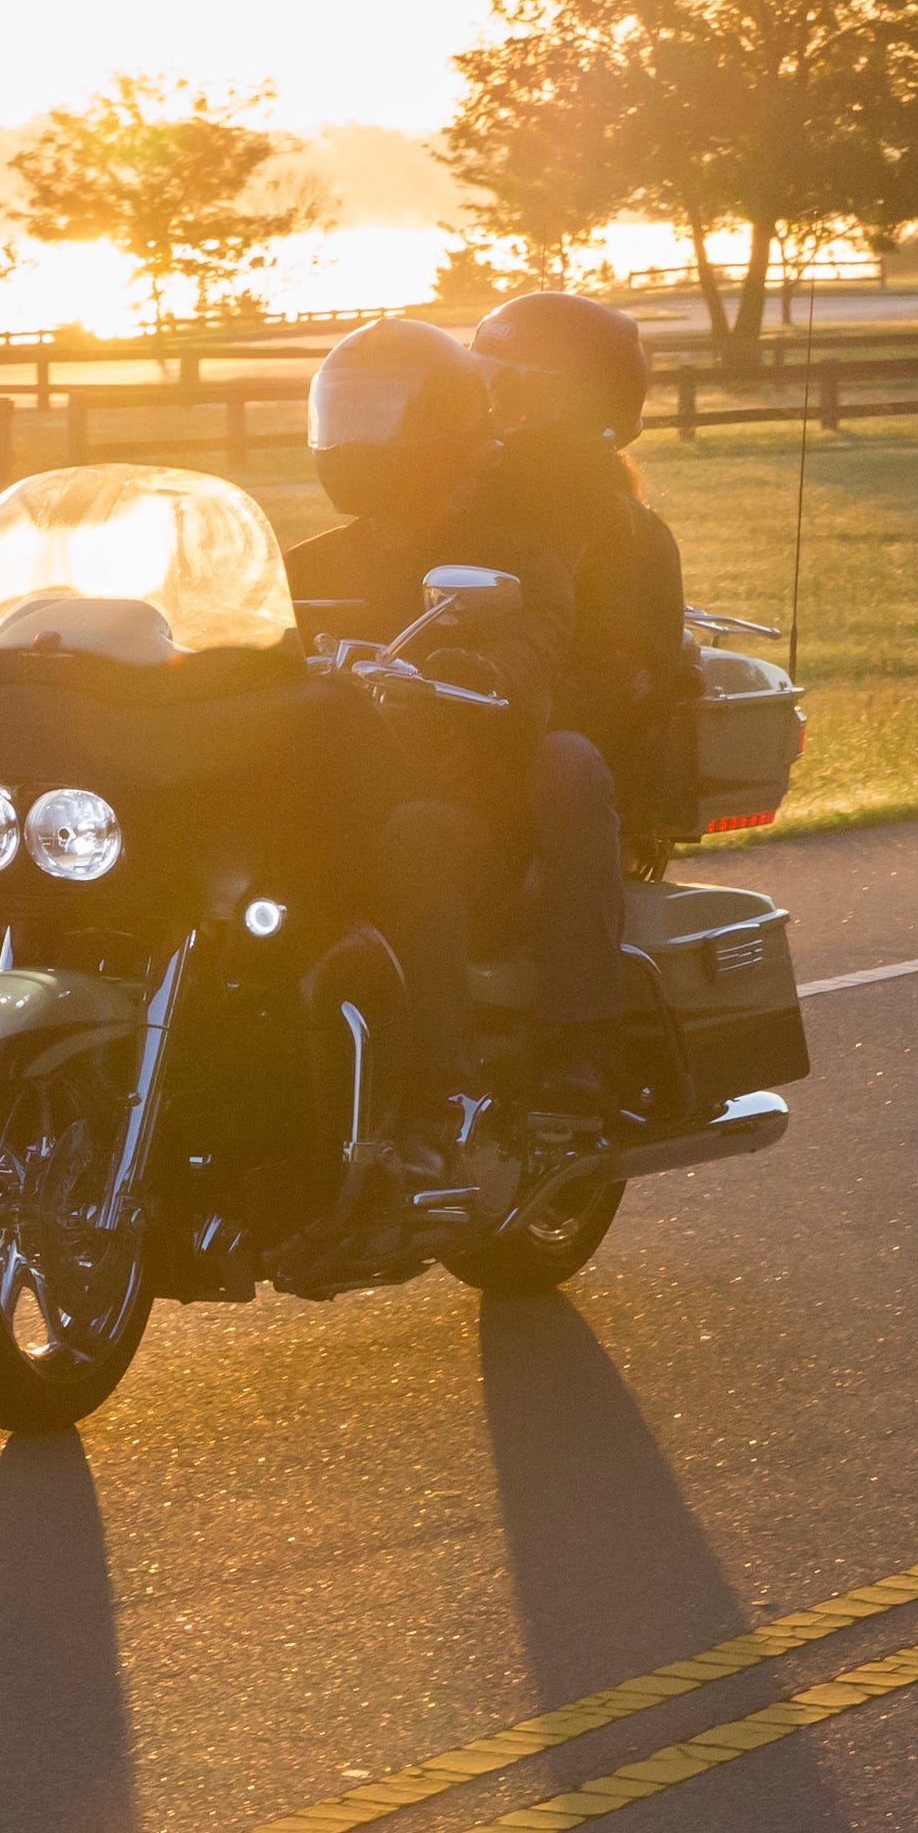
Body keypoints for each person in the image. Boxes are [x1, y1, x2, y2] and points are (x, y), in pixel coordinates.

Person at [287, 318, 531, 1182]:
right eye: (344, 414)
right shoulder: (309, 563)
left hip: (479, 806)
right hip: (338, 793)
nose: (357, 439)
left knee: (416, 838)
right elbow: (230, 634)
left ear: (445, 428)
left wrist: (472, 664)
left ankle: (447, 1096)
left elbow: (531, 646)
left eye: (381, 415)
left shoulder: (502, 555)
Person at [448, 291, 694, 1113]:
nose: (497, 402)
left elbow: (642, 678)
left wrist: (524, 703)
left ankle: (581, 1036)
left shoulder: (626, 530)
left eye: (520, 384)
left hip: (563, 753)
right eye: (492, 381)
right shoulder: (457, 500)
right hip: (457, 732)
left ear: (580, 399)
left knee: (566, 762)